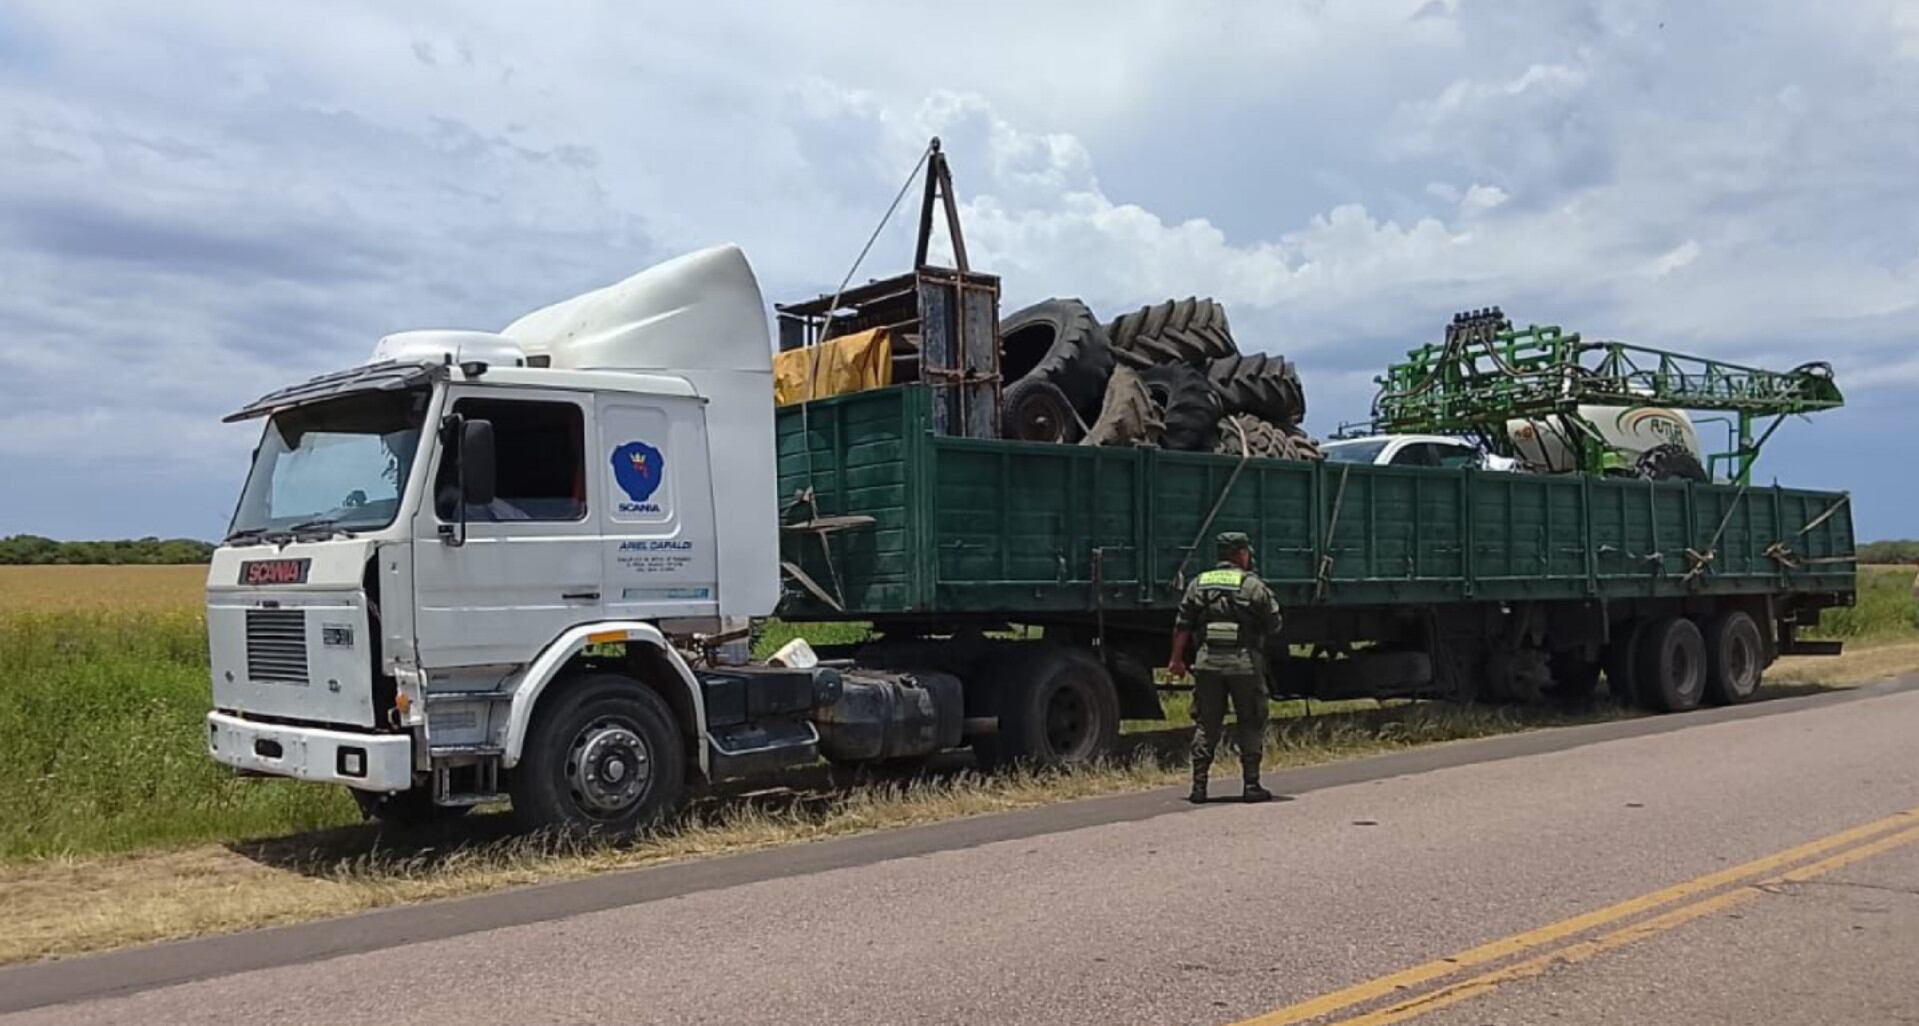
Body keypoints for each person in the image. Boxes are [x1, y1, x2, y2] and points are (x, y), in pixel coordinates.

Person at [1168, 531, 1283, 804]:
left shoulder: (1199, 584)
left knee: (1207, 724)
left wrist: (1176, 659)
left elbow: (1182, 624)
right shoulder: (1253, 586)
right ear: (1240, 554)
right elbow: (1274, 623)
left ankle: (1199, 788)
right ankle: (1252, 786)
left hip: (1207, 664)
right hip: (1243, 665)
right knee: (1250, 721)